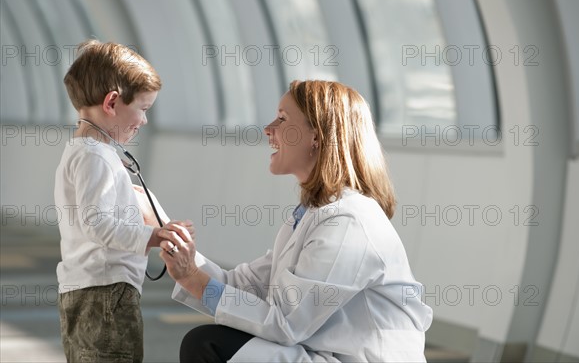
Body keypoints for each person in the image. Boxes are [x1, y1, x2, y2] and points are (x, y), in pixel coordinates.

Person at [158, 80, 433, 362]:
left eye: (282, 118)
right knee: (213, 341)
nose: (268, 129)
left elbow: (286, 324)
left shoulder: (348, 221)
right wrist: (170, 236)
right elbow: (242, 284)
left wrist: (193, 278)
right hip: (327, 354)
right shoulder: (313, 213)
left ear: (316, 135)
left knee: (208, 344)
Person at [55, 40, 192, 362]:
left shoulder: (85, 153)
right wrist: (155, 236)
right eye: (143, 109)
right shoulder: (96, 157)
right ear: (112, 102)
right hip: (106, 291)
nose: (144, 121)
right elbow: (97, 224)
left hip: (90, 289)